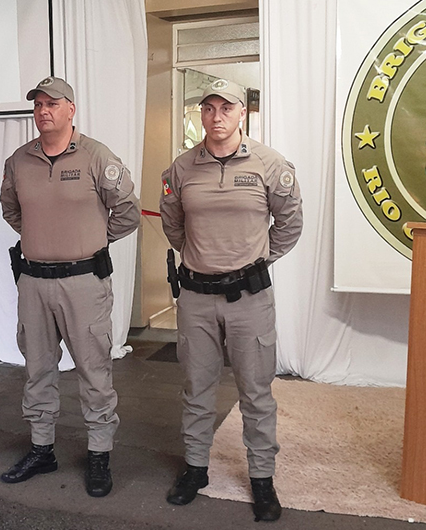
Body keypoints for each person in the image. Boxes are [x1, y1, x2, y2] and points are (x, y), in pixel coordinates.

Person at [159, 79, 303, 522]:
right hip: (197, 298)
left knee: (256, 393)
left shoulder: (270, 164)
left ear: (243, 113)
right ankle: (196, 468)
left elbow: (289, 224)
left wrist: (252, 262)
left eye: (226, 108)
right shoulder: (180, 169)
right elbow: (173, 226)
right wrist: (207, 260)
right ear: (200, 115)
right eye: (208, 108)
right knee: (196, 389)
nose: (216, 116)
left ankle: (262, 479)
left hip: (249, 299)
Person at [0, 76, 140, 497]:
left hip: (84, 283)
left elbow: (128, 213)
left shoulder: (97, 156)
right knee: (37, 370)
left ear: (71, 109)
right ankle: (42, 449)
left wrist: (90, 240)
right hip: (34, 282)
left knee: (94, 371)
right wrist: (46, 239)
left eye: (53, 104)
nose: (44, 111)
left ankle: (99, 453)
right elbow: (11, 209)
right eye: (38, 104)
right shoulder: (19, 160)